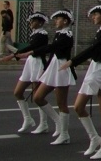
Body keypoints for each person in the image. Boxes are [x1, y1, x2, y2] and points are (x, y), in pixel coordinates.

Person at [59, 5, 101, 160]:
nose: (93, 17)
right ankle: (94, 138)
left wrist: (73, 61)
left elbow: (94, 49)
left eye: (95, 15)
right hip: (94, 68)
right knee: (78, 107)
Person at [29, 10, 75, 145]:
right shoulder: (59, 33)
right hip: (53, 67)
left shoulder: (67, 35)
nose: (55, 21)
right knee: (37, 97)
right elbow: (53, 54)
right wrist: (45, 69)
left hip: (62, 68)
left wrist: (32, 51)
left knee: (62, 103)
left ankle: (65, 134)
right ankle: (57, 121)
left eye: (58, 19)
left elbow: (52, 48)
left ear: (65, 21)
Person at [2, 12, 51, 134]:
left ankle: (43, 123)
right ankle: (27, 119)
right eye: (30, 21)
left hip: (38, 63)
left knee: (37, 95)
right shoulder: (35, 33)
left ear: (40, 22)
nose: (30, 23)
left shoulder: (42, 34)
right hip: (30, 62)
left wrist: (13, 55)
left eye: (33, 21)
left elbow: (31, 48)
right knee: (18, 92)